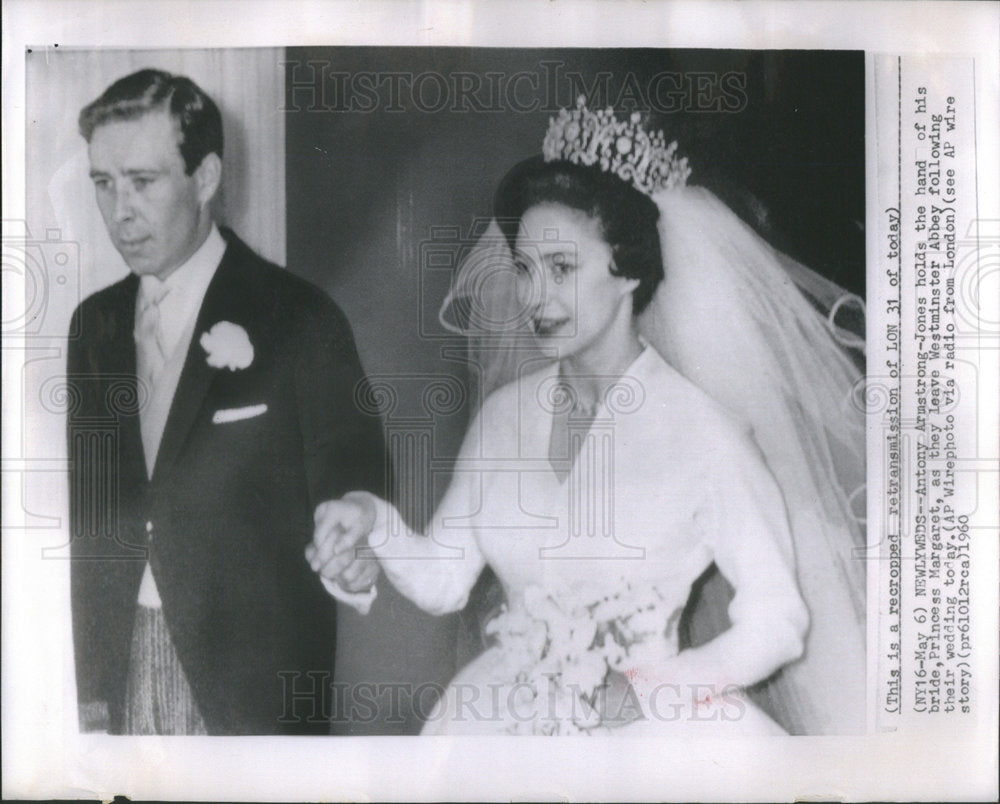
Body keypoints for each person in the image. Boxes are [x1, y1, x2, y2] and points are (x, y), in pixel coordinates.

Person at [309, 99, 867, 735]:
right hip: (498, 724)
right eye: (523, 268)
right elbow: (444, 579)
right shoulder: (503, 417)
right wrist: (368, 519)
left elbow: (778, 619)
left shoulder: (703, 433)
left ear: (627, 270)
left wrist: (648, 690)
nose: (534, 298)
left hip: (655, 736)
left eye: (562, 268)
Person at [66, 68, 386, 735]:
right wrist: (94, 698)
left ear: (206, 177)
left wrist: (353, 540)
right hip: (125, 678)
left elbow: (354, 473)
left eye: (143, 181)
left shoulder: (299, 316)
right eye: (104, 183)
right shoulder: (92, 326)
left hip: (254, 691)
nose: (118, 210)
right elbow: (92, 519)